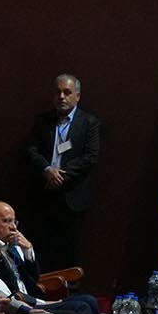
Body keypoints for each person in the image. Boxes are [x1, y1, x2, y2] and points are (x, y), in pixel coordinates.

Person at [24, 73, 101, 270]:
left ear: (78, 96)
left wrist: (60, 175)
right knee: (42, 246)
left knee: (70, 249)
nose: (61, 97)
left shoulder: (88, 122)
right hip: (43, 192)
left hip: (72, 194)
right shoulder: (43, 121)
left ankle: (70, 286)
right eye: (58, 92)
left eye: (67, 92)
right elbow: (32, 149)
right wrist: (47, 170)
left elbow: (90, 156)